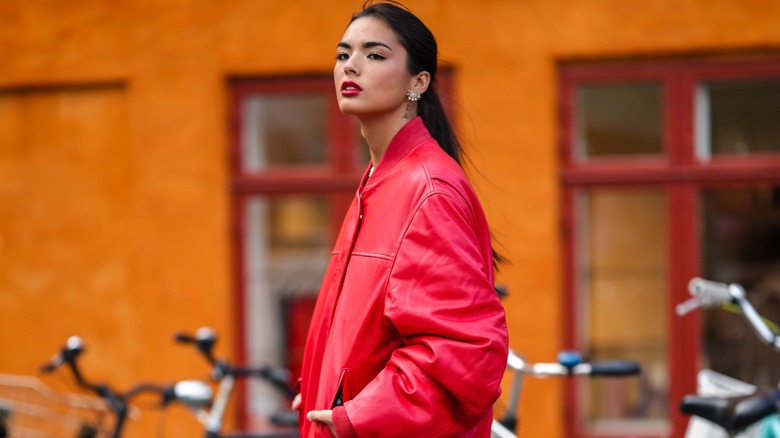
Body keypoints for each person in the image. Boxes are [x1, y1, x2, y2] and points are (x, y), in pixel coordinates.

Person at [295, 2, 509, 436]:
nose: (351, 66)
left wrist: (355, 415)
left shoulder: (426, 188)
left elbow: (464, 352)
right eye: (343, 55)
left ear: (419, 81)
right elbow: (368, 330)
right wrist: (323, 385)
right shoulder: (381, 178)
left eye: (374, 55)